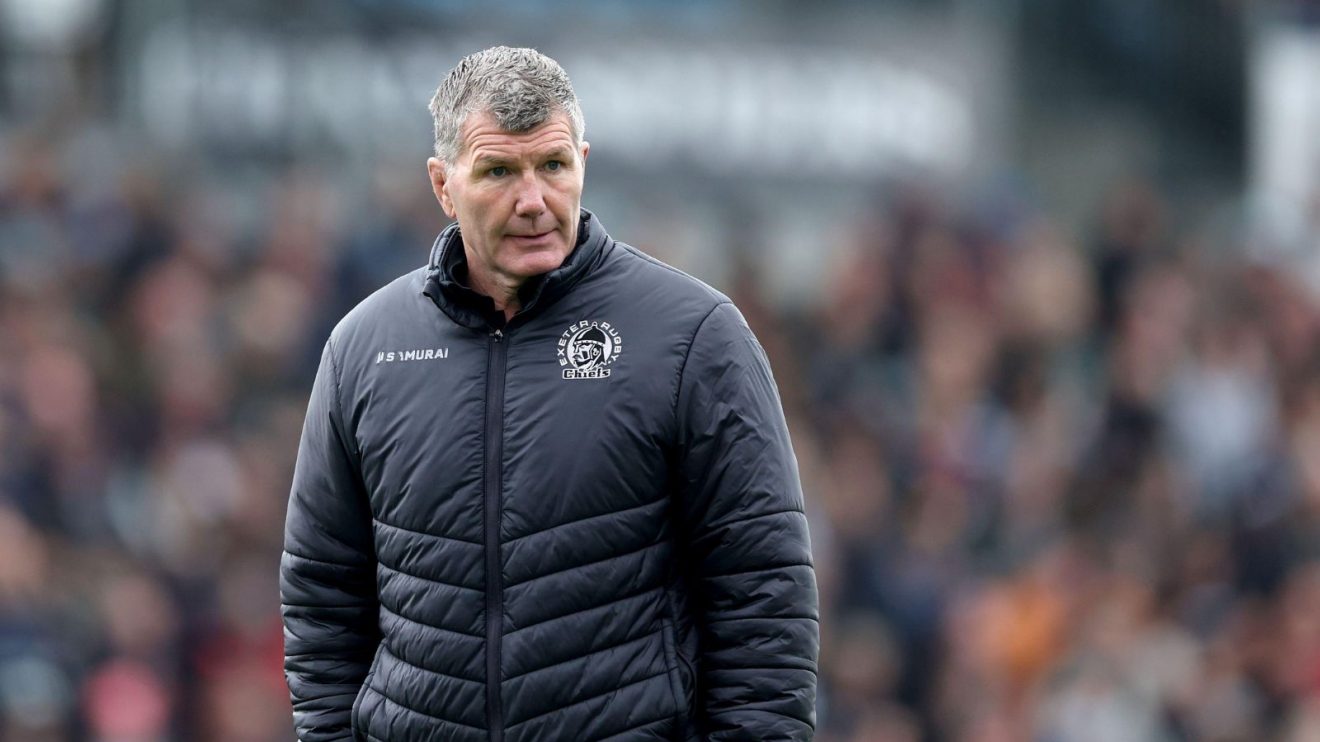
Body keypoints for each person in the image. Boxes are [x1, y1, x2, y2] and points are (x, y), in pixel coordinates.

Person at [281, 46, 819, 742]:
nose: (533, 201)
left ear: (583, 163)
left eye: (553, 166)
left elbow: (762, 593)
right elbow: (322, 592)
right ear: (443, 185)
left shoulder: (694, 337)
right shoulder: (363, 348)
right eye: (499, 170)